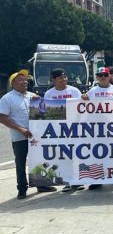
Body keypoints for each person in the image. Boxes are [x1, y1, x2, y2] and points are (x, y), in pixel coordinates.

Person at [0, 69, 57, 199]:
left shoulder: (33, 96)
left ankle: (41, 184)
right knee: (20, 163)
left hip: (36, 136)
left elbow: (44, 113)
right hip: (19, 137)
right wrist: (21, 129)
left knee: (39, 161)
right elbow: (2, 118)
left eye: (25, 79)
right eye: (20, 79)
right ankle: (22, 189)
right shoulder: (7, 98)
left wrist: (41, 102)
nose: (24, 81)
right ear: (12, 83)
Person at [82, 67, 113, 190]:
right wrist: (83, 98)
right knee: (97, 154)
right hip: (96, 129)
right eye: (100, 75)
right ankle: (96, 180)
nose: (102, 77)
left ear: (109, 77)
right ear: (96, 77)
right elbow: (82, 107)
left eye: (105, 75)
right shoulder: (91, 91)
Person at [44, 68, 85, 192]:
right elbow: (47, 112)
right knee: (64, 156)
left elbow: (81, 108)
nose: (64, 79)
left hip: (75, 128)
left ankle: (78, 181)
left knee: (77, 155)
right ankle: (68, 182)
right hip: (58, 130)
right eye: (61, 78)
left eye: (65, 77)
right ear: (54, 80)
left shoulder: (74, 91)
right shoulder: (49, 94)